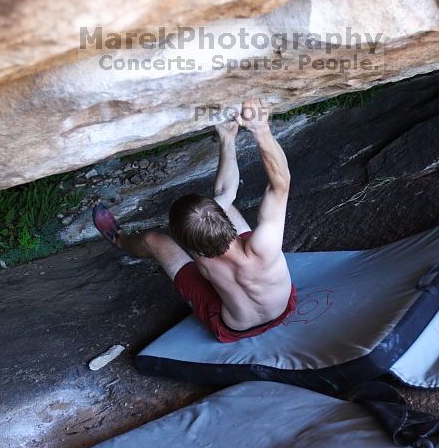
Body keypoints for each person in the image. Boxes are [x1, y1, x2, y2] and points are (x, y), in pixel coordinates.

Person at [92, 98, 296, 343]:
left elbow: (224, 194)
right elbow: (279, 185)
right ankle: (227, 141)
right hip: (282, 308)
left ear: (185, 243)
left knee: (152, 239)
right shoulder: (264, 248)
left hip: (231, 329)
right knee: (220, 205)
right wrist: (260, 131)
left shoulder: (200, 257)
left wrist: (234, 137)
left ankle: (121, 240)